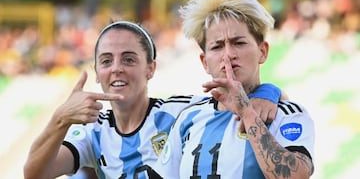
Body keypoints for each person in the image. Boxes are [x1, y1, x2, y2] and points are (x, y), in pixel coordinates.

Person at [23, 20, 283, 179]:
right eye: (106, 61)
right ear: (97, 72)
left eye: (129, 59)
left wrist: (267, 92)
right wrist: (60, 119)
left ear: (151, 69)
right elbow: (34, 174)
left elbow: (240, 98)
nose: (116, 68)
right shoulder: (93, 132)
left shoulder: (181, 113)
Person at [152, 0, 315, 179]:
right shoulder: (189, 118)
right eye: (217, 47)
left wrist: (247, 113)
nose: (228, 55)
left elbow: (295, 176)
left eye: (239, 43)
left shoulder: (287, 114)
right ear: (204, 62)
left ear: (262, 52)